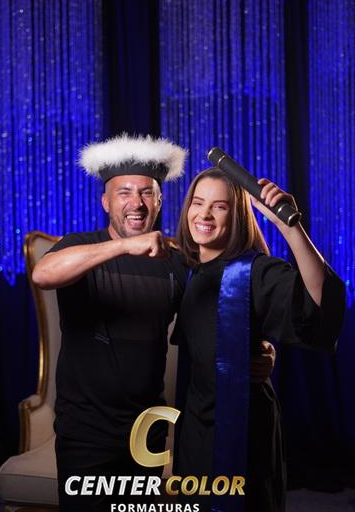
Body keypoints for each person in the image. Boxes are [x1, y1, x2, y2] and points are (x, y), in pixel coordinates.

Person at [32, 135, 276, 512]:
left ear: (159, 201)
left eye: (147, 192)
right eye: (124, 192)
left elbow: (218, 311)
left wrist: (257, 348)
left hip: (148, 431)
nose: (137, 202)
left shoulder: (176, 261)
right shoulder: (80, 246)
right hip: (86, 433)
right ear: (106, 202)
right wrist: (124, 246)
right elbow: (44, 274)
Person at [174, 167, 346, 512]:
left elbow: (321, 306)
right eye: (198, 202)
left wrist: (289, 225)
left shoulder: (252, 271)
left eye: (219, 206)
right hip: (194, 424)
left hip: (243, 430)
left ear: (237, 215)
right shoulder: (185, 267)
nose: (204, 214)